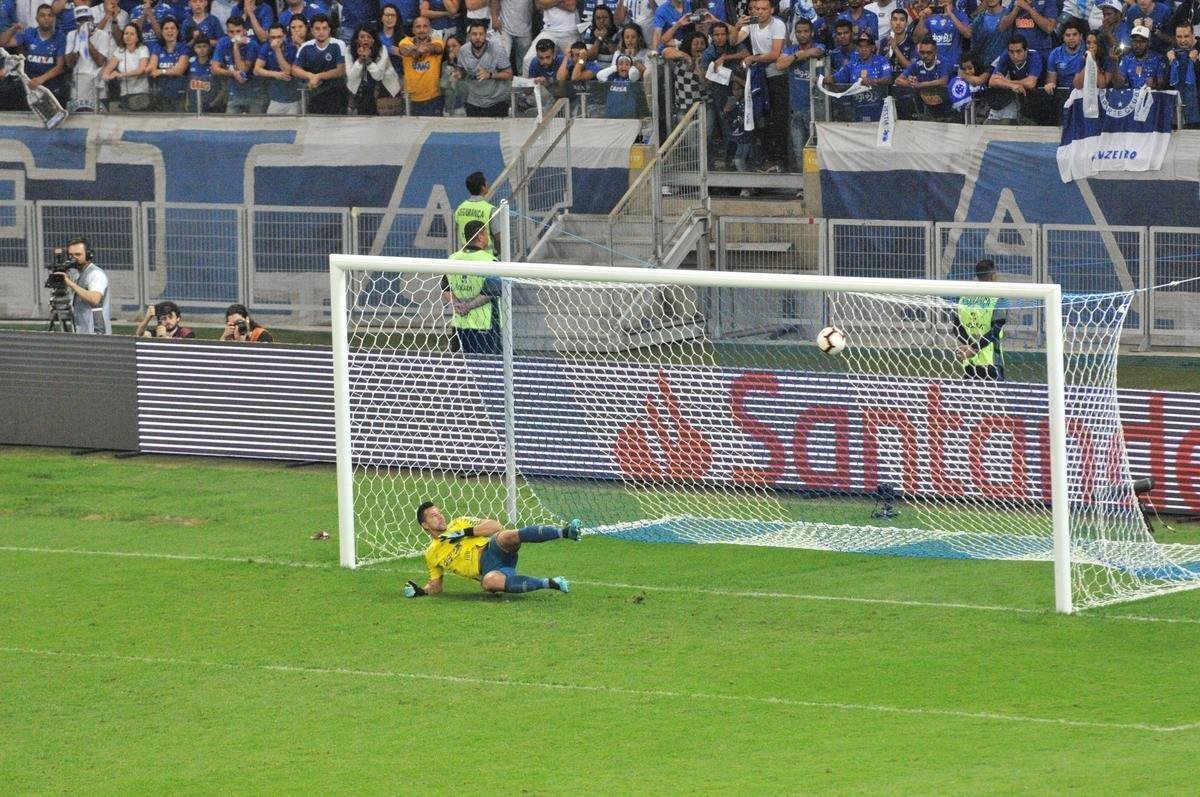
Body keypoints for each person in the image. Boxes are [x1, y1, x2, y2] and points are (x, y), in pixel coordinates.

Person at [403, 501, 581, 598]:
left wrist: (465, 532)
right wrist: (421, 591)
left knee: (505, 535)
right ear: (425, 525)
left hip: (493, 550)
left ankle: (566, 532)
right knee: (489, 583)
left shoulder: (459, 523)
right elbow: (436, 586)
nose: (440, 516)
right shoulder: (431, 554)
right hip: (491, 570)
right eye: (434, 516)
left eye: (440, 512)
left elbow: (495, 526)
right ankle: (552, 583)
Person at [731, 0, 786, 171]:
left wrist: (753, 58)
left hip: (776, 76)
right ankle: (767, 159)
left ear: (771, 10)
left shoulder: (777, 24)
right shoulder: (752, 22)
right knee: (761, 118)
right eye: (756, 9)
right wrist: (737, 26)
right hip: (759, 77)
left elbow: (775, 53)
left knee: (779, 120)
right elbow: (733, 42)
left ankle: (783, 161)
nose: (759, 12)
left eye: (763, 9)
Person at [444, 219, 501, 354]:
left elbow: (445, 288)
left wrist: (456, 305)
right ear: (480, 237)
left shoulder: (453, 258)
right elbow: (490, 292)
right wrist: (468, 307)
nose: (488, 238)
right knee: (487, 367)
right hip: (484, 324)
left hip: (459, 324)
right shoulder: (490, 260)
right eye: (486, 234)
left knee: (461, 368)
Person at [775, 17, 824, 173]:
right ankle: (803, 186)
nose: (802, 34)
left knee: (817, 148)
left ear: (812, 32)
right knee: (798, 150)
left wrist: (797, 56)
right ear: (794, 34)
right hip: (796, 108)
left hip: (817, 109)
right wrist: (799, 55)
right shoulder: (791, 50)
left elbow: (817, 52)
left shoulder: (819, 45)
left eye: (805, 31)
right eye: (799, 32)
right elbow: (779, 64)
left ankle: (817, 184)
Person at [954, 259, 1006, 380]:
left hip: (969, 362)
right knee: (996, 397)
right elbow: (995, 331)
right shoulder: (997, 299)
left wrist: (970, 347)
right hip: (992, 362)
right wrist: (975, 349)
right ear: (994, 276)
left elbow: (956, 328)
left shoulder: (964, 298)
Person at [290, 12, 348, 113]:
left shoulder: (338, 44)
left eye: (324, 28)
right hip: (315, 95)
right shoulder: (305, 47)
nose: (321, 32)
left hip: (337, 94)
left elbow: (340, 70)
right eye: (317, 29)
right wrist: (310, 76)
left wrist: (318, 76)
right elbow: (295, 69)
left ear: (329, 29)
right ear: (311, 30)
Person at [64, 0, 114, 112]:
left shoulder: (103, 35)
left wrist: (86, 40)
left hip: (98, 85)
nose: (84, 23)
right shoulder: (71, 35)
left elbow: (100, 61)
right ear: (76, 22)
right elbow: (69, 63)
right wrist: (78, 42)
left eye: (86, 19)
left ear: (92, 19)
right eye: (80, 20)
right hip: (78, 84)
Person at [983, 33, 1042, 124]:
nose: (1015, 56)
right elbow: (992, 81)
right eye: (1011, 52)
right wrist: (1011, 85)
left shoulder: (1034, 56)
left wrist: (1006, 81)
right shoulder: (1005, 55)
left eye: (1019, 51)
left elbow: (1031, 83)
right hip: (1018, 95)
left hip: (1038, 98)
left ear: (1026, 50)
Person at [18, 3, 69, 106]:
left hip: (51, 84)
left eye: (50, 15)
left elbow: (60, 67)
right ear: (37, 18)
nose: (46, 18)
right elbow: (4, 42)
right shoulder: (29, 33)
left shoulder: (60, 37)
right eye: (42, 15)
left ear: (54, 18)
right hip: (30, 83)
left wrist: (41, 79)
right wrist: (14, 28)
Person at [457, 17, 511, 116]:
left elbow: (509, 74)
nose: (478, 37)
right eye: (474, 34)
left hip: (496, 101)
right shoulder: (463, 51)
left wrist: (490, 75)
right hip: (473, 102)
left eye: (481, 34)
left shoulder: (498, 50)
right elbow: (461, 71)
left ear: (486, 35)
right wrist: (458, 74)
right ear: (469, 36)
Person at [58, 237, 111, 335]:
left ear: (88, 255)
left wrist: (70, 284)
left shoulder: (95, 274)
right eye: (71, 255)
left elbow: (95, 299)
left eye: (78, 254)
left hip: (96, 332)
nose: (73, 258)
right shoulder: (78, 274)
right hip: (82, 331)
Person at [212, 15, 263, 112]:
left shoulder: (252, 44)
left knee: (256, 126)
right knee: (230, 126)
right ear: (227, 32)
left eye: (238, 31)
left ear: (244, 31)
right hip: (234, 94)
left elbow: (242, 72)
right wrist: (232, 73)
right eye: (231, 32)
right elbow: (214, 68)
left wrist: (235, 47)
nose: (235, 35)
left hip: (255, 95)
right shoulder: (223, 42)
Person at [346, 21, 400, 113]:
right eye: (362, 37)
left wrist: (368, 60)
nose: (365, 39)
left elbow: (378, 76)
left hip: (383, 90)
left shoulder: (382, 49)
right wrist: (359, 60)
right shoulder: (349, 50)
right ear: (357, 40)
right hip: (360, 91)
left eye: (369, 37)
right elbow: (351, 76)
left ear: (373, 40)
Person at [398, 15, 444, 115]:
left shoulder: (437, 41)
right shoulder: (405, 41)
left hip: (433, 97)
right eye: (418, 27)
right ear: (413, 30)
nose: (422, 30)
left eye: (425, 26)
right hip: (411, 98)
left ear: (430, 29)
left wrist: (420, 49)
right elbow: (403, 50)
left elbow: (437, 48)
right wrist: (417, 49)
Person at [896, 35, 951, 119]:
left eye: (929, 52)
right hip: (926, 106)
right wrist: (911, 83)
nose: (925, 55)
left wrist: (920, 85)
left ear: (936, 51)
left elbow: (944, 81)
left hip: (946, 106)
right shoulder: (918, 64)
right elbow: (898, 80)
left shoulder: (943, 62)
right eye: (922, 52)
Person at [102, 21, 151, 110]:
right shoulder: (119, 50)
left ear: (137, 37)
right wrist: (107, 76)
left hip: (140, 94)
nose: (128, 36)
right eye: (126, 33)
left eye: (132, 34)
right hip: (124, 94)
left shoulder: (143, 49)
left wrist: (119, 74)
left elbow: (141, 70)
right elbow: (107, 70)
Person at [254, 22, 301, 113]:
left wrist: (277, 50)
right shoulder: (266, 47)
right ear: (268, 37)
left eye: (279, 37)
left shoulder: (292, 48)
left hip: (293, 98)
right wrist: (275, 74)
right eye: (273, 37)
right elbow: (256, 70)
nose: (276, 40)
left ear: (284, 36)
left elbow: (287, 71)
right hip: (274, 98)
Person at [149, 16, 190, 110]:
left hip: (180, 95)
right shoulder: (157, 47)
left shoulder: (184, 48)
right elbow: (152, 69)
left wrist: (161, 71)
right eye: (166, 28)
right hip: (161, 95)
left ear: (177, 31)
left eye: (172, 28)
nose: (169, 31)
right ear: (162, 32)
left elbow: (179, 70)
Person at [454, 170, 498, 253]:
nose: (488, 185)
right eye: (486, 183)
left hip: (465, 256)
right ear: (483, 187)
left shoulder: (459, 208)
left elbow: (456, 231)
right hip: (486, 257)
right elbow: (499, 237)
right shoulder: (490, 209)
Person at [1167, 23, 1199, 129]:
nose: (1183, 40)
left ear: (1193, 35)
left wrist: (1196, 63)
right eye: (1179, 37)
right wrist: (1170, 63)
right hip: (1178, 107)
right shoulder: (1171, 52)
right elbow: (1166, 83)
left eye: (1186, 36)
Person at [1113, 24, 1164, 88]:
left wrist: (1154, 84)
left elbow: (1162, 84)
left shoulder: (1157, 59)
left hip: (1152, 96)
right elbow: (1118, 85)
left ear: (1149, 42)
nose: (1138, 45)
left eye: (1142, 41)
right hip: (1132, 96)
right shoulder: (1127, 59)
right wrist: (1115, 63)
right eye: (1135, 41)